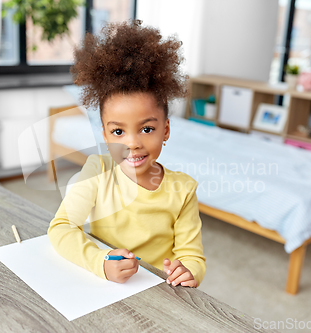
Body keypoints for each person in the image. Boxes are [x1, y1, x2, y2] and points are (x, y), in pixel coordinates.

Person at [48, 19, 206, 287]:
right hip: (106, 286)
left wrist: (188, 271)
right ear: (105, 135)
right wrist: (101, 261)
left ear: (165, 130)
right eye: (119, 132)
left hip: (161, 292)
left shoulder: (184, 190)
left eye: (146, 129)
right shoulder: (97, 171)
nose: (132, 143)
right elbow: (61, 228)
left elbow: (192, 257)